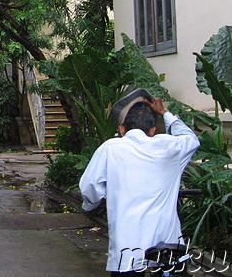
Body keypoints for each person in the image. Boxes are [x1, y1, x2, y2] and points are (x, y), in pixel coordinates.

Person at [79, 89, 200, 276]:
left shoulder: (111, 149)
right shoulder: (169, 147)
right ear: (152, 130)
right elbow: (191, 139)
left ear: (122, 129)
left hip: (127, 250)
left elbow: (90, 187)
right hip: (167, 245)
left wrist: (91, 205)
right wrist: (164, 112)